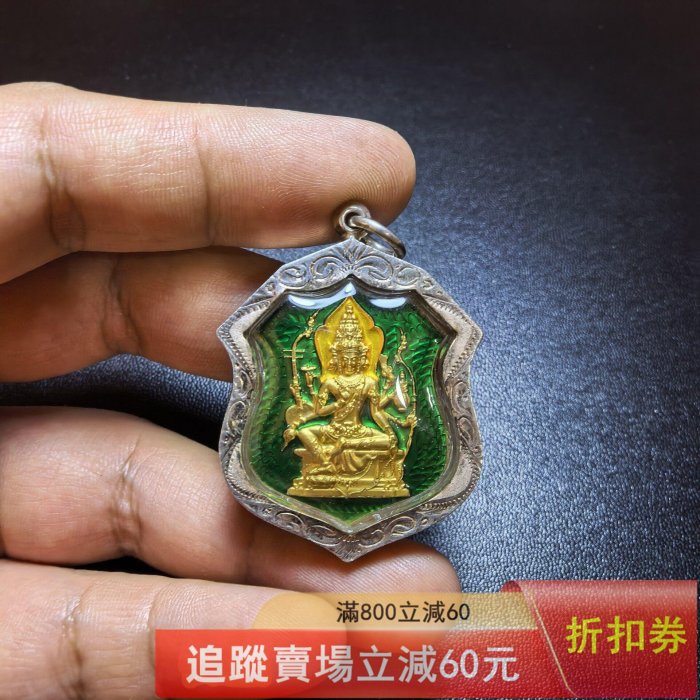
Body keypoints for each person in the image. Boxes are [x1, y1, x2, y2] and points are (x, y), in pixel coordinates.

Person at [0, 82, 459, 698]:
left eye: (358, 349)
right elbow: (310, 408)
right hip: (328, 445)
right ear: (333, 347)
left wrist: (394, 381)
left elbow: (390, 416)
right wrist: (301, 388)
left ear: (368, 347)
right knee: (318, 437)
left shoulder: (373, 367)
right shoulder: (326, 368)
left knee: (375, 443)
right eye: (343, 348)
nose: (350, 355)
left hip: (364, 447)